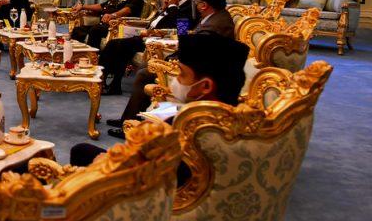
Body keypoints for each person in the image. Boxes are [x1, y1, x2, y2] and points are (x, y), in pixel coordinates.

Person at [70, 33, 250, 184]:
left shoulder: (188, 128)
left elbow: (149, 173)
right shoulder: (244, 119)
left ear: (205, 86)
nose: (176, 79)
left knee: (81, 151)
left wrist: (111, 163)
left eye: (181, 73)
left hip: (149, 193)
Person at [106, 0, 237, 136]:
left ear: (204, 4)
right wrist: (164, 16)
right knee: (139, 64)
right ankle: (129, 119)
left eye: (197, 1)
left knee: (143, 72)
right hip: (171, 50)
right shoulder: (211, 15)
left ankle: (130, 123)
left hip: (196, 70)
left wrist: (175, 9)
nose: (195, 3)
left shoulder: (209, 19)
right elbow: (184, 33)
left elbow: (184, 34)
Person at [97, 0, 199, 95]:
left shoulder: (190, 7)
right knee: (118, 45)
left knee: (117, 44)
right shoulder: (175, 3)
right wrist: (165, 8)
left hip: (158, 41)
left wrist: (171, 6)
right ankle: (112, 84)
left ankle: (102, 80)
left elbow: (180, 30)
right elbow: (159, 20)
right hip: (148, 35)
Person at [69, 0, 145, 49]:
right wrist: (83, 7)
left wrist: (113, 15)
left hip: (118, 27)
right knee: (78, 30)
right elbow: (102, 6)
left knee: (95, 30)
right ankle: (78, 54)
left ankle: (93, 56)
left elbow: (127, 10)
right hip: (105, 25)